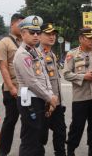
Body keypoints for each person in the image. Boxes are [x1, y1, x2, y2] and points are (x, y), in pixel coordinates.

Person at [13, 15, 59, 156]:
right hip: (30, 100)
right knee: (30, 138)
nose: (35, 35)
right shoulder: (22, 55)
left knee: (40, 137)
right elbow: (31, 82)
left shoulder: (36, 52)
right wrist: (49, 97)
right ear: (22, 33)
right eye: (31, 32)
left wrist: (50, 96)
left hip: (40, 99)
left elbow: (45, 76)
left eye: (37, 32)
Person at [63, 28, 92, 156]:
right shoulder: (72, 54)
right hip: (80, 97)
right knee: (77, 125)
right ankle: (71, 149)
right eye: (89, 38)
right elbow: (66, 74)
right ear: (81, 39)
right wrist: (83, 77)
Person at [0, 13, 25, 156]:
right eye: (20, 24)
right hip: (11, 88)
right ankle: (2, 151)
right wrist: (12, 87)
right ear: (12, 24)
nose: (22, 27)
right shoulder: (4, 43)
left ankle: (26, 151)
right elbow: (3, 67)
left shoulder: (25, 42)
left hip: (26, 89)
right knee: (10, 121)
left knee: (28, 122)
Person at [37, 23, 67, 156]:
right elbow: (38, 81)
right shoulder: (36, 55)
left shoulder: (52, 54)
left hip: (57, 103)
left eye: (53, 34)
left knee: (60, 132)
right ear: (39, 35)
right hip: (44, 103)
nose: (52, 37)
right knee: (40, 136)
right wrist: (48, 100)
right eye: (48, 34)